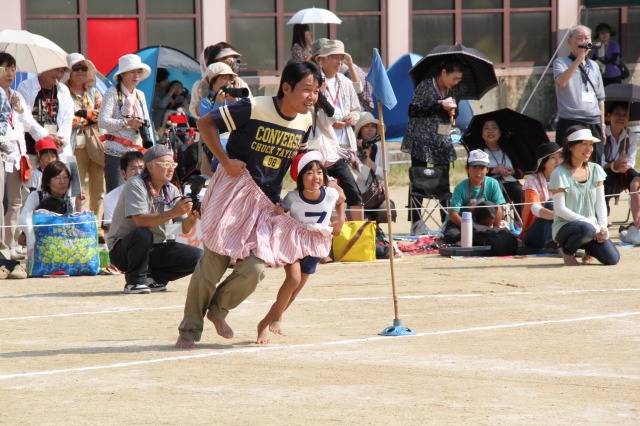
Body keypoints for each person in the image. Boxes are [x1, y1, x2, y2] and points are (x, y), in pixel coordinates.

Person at [176, 60, 335, 349]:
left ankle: (218, 310)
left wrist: (319, 185)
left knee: (256, 268)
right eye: (306, 90)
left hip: (267, 204)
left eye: (316, 91)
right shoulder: (253, 106)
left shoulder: (305, 121)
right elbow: (205, 123)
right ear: (286, 87)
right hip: (233, 193)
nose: (312, 97)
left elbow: (296, 160)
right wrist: (225, 161)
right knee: (212, 265)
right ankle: (189, 331)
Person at [256, 151, 345, 344]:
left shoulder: (330, 193)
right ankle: (276, 319)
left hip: (317, 243)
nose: (316, 177)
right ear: (300, 177)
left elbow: (341, 199)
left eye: (319, 172)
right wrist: (280, 211)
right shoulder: (293, 197)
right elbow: (282, 210)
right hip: (294, 241)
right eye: (310, 173)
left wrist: (341, 220)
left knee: (295, 291)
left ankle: (264, 323)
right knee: (293, 279)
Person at [107, 145, 203, 294]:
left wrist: (192, 217)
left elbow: (183, 229)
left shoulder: (171, 189)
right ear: (150, 166)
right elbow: (140, 221)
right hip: (123, 249)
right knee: (143, 233)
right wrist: (173, 212)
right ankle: (134, 282)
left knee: (197, 257)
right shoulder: (136, 184)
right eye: (165, 164)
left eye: (173, 164)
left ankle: (154, 278)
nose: (170, 168)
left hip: (153, 247)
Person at [402, 58, 465, 235]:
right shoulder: (425, 86)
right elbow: (412, 111)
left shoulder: (455, 89)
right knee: (418, 179)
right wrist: (437, 107)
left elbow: (455, 114)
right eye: (454, 78)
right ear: (443, 73)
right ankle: (416, 222)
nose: (456, 82)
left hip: (442, 140)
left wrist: (453, 111)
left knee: (443, 180)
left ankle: (446, 221)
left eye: (459, 79)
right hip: (420, 139)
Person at [308, 39, 364, 221]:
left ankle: (357, 233)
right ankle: (328, 230)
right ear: (322, 59)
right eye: (334, 57)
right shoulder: (314, 82)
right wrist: (332, 122)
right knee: (322, 191)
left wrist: (353, 117)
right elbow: (308, 112)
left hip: (346, 142)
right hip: (322, 144)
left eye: (341, 58)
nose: (339, 62)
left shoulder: (345, 82)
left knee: (352, 191)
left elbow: (357, 109)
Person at [550, 125, 620, 266]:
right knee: (587, 229)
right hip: (566, 227)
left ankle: (588, 250)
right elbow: (560, 209)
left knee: (612, 258)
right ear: (570, 146)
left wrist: (602, 226)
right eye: (583, 144)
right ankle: (567, 252)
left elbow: (600, 202)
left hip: (591, 228)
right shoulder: (559, 173)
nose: (589, 149)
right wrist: (589, 223)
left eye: (590, 144)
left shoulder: (596, 169)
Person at [0, 52, 41, 260]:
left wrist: (20, 108)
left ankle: (10, 244)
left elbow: (27, 124)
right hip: (1, 151)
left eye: (13, 69)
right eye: (5, 68)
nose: (10, 73)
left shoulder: (16, 94)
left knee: (16, 201)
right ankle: (1, 246)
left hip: (16, 154)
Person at [98, 54, 152, 193]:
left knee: (137, 194)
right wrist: (127, 123)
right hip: (116, 152)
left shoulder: (140, 94)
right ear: (122, 74)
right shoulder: (112, 93)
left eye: (138, 72)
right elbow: (102, 121)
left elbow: (147, 122)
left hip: (137, 153)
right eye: (132, 71)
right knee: (115, 194)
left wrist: (149, 144)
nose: (136, 75)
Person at [553, 24, 606, 165]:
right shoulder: (561, 62)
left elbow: (600, 98)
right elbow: (561, 82)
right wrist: (578, 60)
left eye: (587, 38)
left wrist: (602, 124)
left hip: (593, 120)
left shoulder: (594, 65)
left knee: (594, 162)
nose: (584, 41)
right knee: (568, 161)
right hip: (570, 119)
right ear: (569, 41)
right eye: (579, 38)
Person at [64, 53, 105, 226]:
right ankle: (78, 226)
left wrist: (84, 114)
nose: (80, 71)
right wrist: (90, 117)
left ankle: (96, 228)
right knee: (75, 190)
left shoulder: (94, 93)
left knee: (99, 190)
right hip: (74, 148)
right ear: (69, 71)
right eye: (76, 68)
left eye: (83, 68)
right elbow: (67, 120)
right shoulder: (62, 92)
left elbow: (103, 116)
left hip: (95, 146)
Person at [19, 160, 86, 260]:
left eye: (65, 177)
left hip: (67, 248)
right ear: (47, 181)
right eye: (57, 178)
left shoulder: (72, 198)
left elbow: (80, 228)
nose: (62, 182)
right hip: (42, 246)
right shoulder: (36, 196)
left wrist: (79, 205)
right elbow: (24, 219)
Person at [442, 149, 506, 245]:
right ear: (467, 168)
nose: (478, 172)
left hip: (481, 223)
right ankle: (482, 236)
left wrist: (496, 229)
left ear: (487, 169)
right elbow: (453, 214)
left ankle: (484, 235)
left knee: (488, 205)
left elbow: (498, 208)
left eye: (482, 168)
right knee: (451, 236)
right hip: (461, 222)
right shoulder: (460, 188)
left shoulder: (493, 183)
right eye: (474, 167)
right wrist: (470, 227)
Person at [17, 64, 74, 163]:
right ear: (46, 67)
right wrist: (46, 136)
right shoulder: (26, 86)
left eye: (62, 71)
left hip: (58, 150)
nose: (59, 75)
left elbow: (68, 118)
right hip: (32, 151)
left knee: (66, 172)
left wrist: (59, 139)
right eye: (57, 70)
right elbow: (25, 116)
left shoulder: (63, 90)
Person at [198, 62, 242, 172]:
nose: (228, 82)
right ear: (212, 81)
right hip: (213, 151)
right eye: (224, 78)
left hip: (233, 149)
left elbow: (239, 122)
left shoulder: (231, 99)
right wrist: (218, 103)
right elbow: (209, 126)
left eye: (230, 79)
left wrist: (234, 102)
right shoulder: (205, 102)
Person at [602, 102, 640, 226]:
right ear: (608, 117)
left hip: (623, 171)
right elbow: (600, 162)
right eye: (617, 114)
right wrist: (615, 164)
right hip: (605, 169)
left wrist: (624, 166)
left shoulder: (630, 136)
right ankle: (604, 214)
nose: (621, 118)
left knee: (635, 178)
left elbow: (631, 160)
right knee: (604, 176)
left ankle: (637, 215)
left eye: (624, 115)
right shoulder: (602, 135)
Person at [520, 142, 563, 248]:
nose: (558, 161)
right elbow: (534, 208)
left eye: (560, 157)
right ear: (543, 163)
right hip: (535, 232)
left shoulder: (566, 178)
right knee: (551, 203)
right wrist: (561, 216)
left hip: (562, 226)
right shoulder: (532, 181)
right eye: (553, 158)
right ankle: (551, 243)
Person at [354, 112, 395, 223]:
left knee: (388, 211)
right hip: (357, 195)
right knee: (361, 223)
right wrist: (363, 154)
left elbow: (385, 175)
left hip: (376, 194)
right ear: (360, 129)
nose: (370, 129)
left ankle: (376, 226)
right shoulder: (352, 150)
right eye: (366, 126)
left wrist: (368, 160)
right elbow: (361, 178)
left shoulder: (382, 149)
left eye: (373, 126)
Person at [480, 118, 525, 219]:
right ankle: (498, 221)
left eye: (494, 128)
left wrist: (513, 171)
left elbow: (521, 172)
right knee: (497, 187)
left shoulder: (508, 150)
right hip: (490, 184)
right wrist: (493, 170)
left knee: (519, 191)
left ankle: (519, 222)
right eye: (486, 128)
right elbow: (472, 173)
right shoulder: (480, 152)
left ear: (500, 133)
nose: (490, 131)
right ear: (482, 134)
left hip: (510, 182)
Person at [102, 150, 144, 236]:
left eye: (141, 168)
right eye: (133, 169)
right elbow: (113, 229)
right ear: (124, 173)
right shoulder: (111, 197)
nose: (138, 172)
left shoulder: (157, 192)